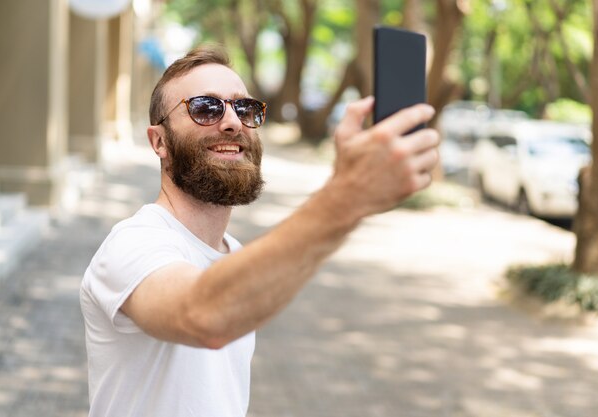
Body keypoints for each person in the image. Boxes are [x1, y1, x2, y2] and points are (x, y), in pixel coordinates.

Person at [80, 44, 440, 417]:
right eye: (206, 108)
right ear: (159, 142)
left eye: (245, 108)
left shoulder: (233, 254)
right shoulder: (132, 242)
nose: (233, 122)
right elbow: (203, 316)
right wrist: (346, 197)